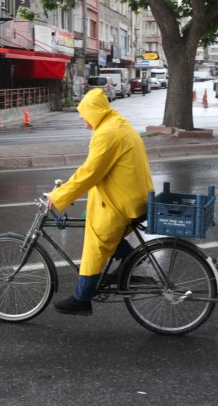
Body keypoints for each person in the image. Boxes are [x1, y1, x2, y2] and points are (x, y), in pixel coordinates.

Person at [46, 87, 154, 316]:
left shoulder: (107, 134)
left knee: (95, 241)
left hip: (123, 202)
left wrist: (58, 196)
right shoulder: (116, 123)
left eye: (83, 112)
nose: (80, 117)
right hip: (132, 195)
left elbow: (90, 173)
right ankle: (128, 259)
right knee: (90, 219)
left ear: (95, 112)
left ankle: (82, 298)